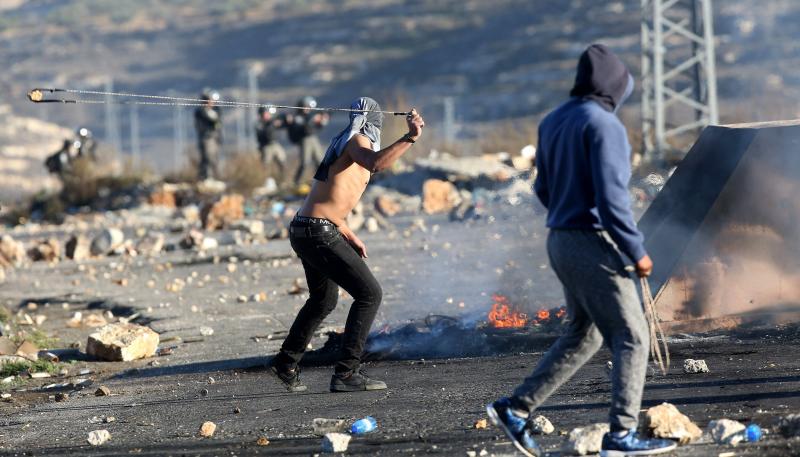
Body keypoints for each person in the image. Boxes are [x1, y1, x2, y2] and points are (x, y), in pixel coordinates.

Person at [485, 44, 677, 457]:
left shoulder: (554, 119)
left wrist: (567, 213)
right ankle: (620, 437)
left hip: (560, 239)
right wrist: (636, 249)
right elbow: (612, 201)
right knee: (631, 336)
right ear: (616, 86)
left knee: (584, 335)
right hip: (593, 242)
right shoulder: (604, 125)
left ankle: (515, 410)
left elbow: (542, 188)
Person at [269, 98, 424, 392]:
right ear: (369, 121)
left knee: (324, 300)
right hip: (316, 231)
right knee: (369, 294)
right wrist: (410, 137)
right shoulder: (356, 140)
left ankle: (285, 363)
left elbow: (332, 198)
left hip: (307, 228)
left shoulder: (346, 142)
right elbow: (376, 163)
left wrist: (350, 233)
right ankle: (346, 373)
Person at [286, 96, 329, 186]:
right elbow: (304, 128)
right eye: (306, 106)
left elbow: (316, 128)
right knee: (305, 162)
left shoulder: (309, 115)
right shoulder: (298, 117)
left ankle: (322, 180)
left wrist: (322, 122)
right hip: (305, 140)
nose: (308, 109)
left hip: (313, 138)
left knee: (319, 161)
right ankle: (297, 182)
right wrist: (312, 120)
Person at [194, 89, 223, 180]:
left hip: (215, 138)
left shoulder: (216, 110)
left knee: (214, 158)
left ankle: (215, 177)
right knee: (207, 157)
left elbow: (217, 121)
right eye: (210, 100)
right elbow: (205, 121)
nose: (212, 102)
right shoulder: (201, 111)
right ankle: (206, 177)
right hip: (206, 138)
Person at [255, 106, 287, 179]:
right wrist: (272, 124)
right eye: (266, 113)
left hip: (275, 144)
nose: (267, 115)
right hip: (266, 146)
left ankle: (282, 180)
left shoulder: (272, 121)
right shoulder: (259, 124)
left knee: (282, 161)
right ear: (261, 114)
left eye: (268, 113)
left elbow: (283, 123)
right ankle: (266, 181)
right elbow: (266, 133)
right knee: (266, 165)